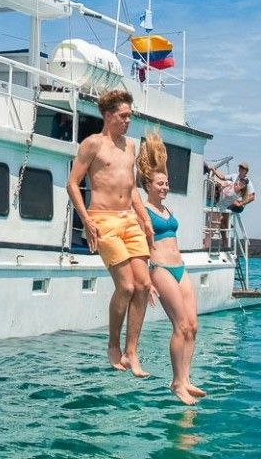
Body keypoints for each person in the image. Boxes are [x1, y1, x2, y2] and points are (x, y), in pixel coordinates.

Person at [66, 88, 153, 377]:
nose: (128, 121)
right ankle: (113, 345)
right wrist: (87, 221)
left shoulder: (130, 147)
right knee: (126, 286)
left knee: (142, 286)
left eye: (130, 116)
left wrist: (145, 218)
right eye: (123, 116)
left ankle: (132, 350)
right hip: (103, 219)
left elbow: (132, 188)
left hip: (130, 220)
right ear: (108, 115)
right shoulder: (93, 144)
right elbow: (72, 184)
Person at [138, 133, 205, 405]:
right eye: (160, 183)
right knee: (179, 326)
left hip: (180, 267)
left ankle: (186, 379)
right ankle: (177, 382)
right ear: (148, 185)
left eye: (166, 183)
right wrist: (147, 281)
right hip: (160, 268)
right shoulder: (142, 211)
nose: (165, 187)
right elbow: (139, 249)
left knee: (193, 326)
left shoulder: (166, 209)